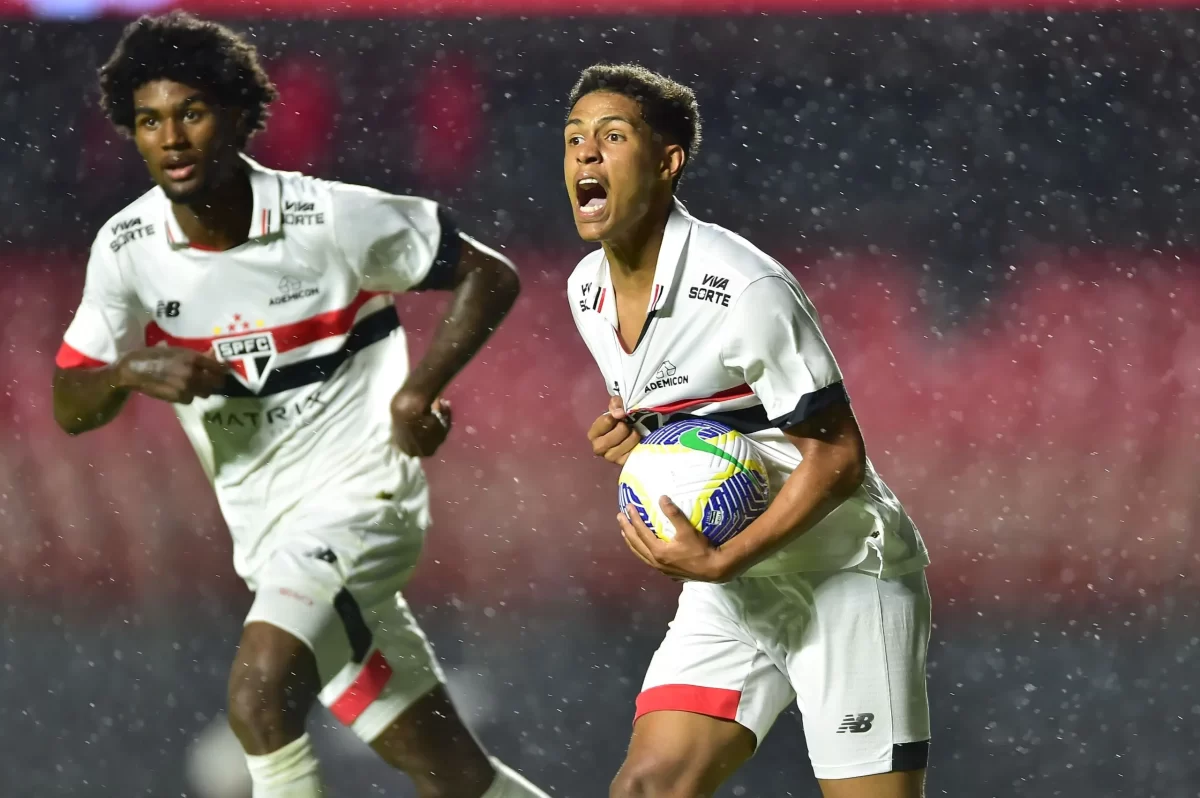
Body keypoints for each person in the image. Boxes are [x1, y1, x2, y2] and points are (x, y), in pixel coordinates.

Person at [52, 13, 548, 798]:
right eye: (149, 121)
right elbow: (70, 404)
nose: (171, 138)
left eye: (192, 112)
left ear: (239, 115)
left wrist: (418, 392)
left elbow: (489, 274)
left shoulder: (331, 219)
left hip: (362, 501)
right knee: (455, 776)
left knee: (258, 698)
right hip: (269, 540)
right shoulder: (126, 249)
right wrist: (125, 372)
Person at [563, 63, 933, 798]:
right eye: (574, 139)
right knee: (645, 790)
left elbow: (839, 456)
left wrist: (722, 560)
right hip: (734, 589)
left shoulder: (743, 287)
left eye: (613, 136)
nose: (586, 154)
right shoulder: (586, 290)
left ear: (667, 162)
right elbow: (690, 424)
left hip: (842, 575)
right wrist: (637, 444)